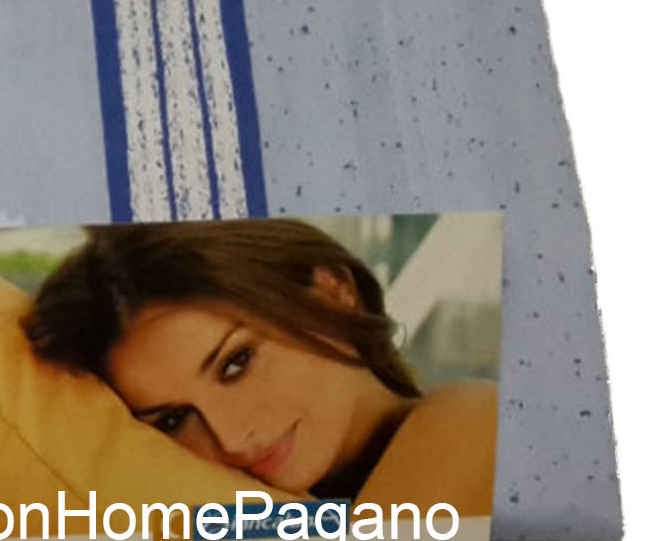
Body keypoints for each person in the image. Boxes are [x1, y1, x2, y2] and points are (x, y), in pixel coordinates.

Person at [25, 217, 496, 510]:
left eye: (236, 363)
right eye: (173, 419)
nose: (232, 439)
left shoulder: (469, 423)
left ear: (333, 292)